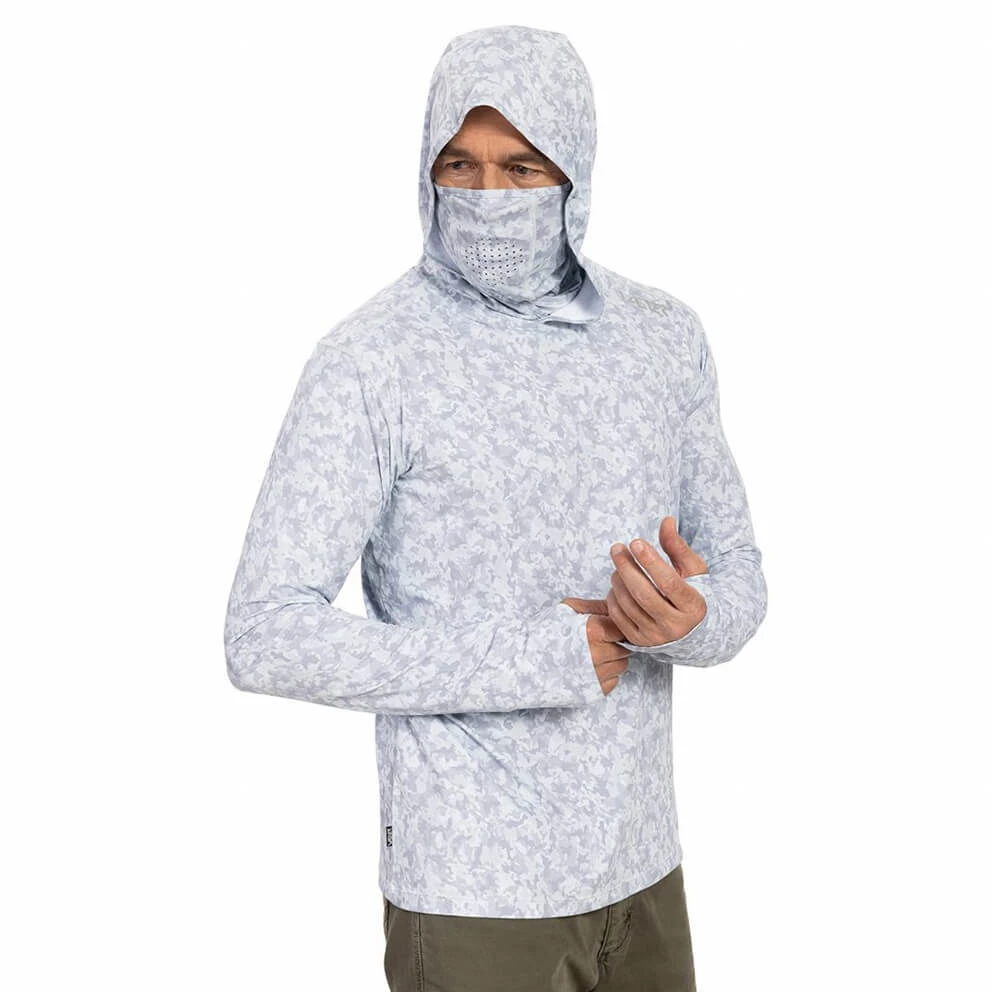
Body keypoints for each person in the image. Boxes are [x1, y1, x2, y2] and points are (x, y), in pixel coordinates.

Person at [223, 23, 768, 992]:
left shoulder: (660, 338)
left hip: (642, 865)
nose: (487, 196)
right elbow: (262, 633)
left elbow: (737, 580)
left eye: (521, 167)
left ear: (574, 172)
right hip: (474, 894)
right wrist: (531, 657)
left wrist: (689, 621)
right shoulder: (371, 361)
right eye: (459, 165)